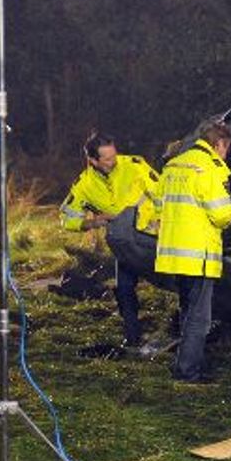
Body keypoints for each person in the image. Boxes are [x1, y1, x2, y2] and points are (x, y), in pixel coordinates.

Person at [60, 131, 162, 351]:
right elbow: (67, 217)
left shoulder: (134, 165)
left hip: (152, 238)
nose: (113, 161)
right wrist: (93, 222)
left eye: (114, 155)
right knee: (124, 288)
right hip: (124, 245)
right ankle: (133, 337)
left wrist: (161, 220)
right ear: (93, 160)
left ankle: (187, 326)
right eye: (106, 159)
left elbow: (162, 193)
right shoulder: (84, 184)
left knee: (176, 282)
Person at [154, 121, 231, 382]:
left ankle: (185, 364)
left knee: (188, 312)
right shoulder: (208, 168)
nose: (226, 154)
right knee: (199, 319)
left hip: (174, 254)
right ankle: (188, 372)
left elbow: (157, 204)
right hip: (198, 255)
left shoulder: (174, 165)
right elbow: (222, 214)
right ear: (219, 144)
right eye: (226, 148)